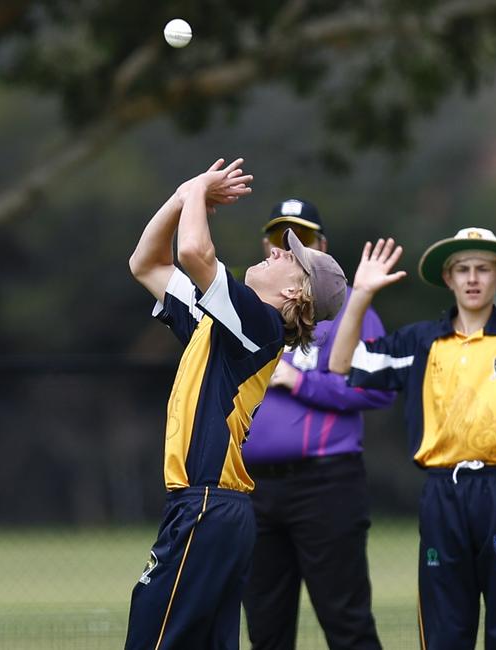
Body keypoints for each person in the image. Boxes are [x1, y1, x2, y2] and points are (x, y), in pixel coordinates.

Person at [329, 227, 496, 650]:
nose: (473, 278)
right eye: (462, 269)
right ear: (448, 278)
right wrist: (360, 295)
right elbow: (341, 363)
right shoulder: (420, 341)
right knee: (445, 629)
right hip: (443, 494)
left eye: (483, 269)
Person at [124, 159, 347, 650]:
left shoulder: (260, 324)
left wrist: (199, 190)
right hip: (213, 509)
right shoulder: (223, 323)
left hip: (205, 505)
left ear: (294, 294)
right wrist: (183, 196)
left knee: (151, 637)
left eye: (289, 258)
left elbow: (192, 250)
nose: (273, 251)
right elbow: (147, 264)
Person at [241, 198, 396, 650]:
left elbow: (379, 388)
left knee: (344, 619)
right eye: (278, 237)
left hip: (325, 483)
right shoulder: (248, 311)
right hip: (252, 488)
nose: (287, 247)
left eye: (302, 238)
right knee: (265, 627)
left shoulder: (348, 307)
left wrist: (301, 382)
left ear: (322, 247)